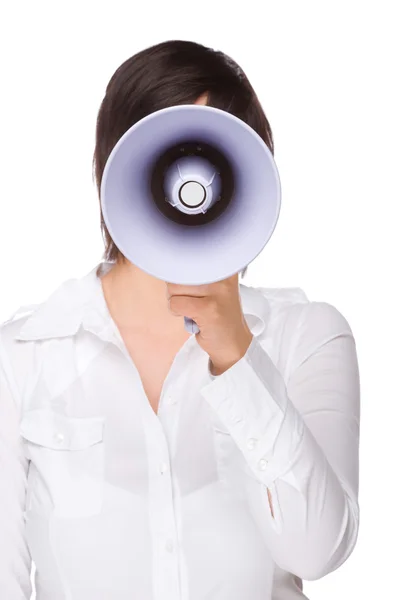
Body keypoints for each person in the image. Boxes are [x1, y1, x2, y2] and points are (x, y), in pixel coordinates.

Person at [0, 40, 360, 600]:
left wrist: (239, 358)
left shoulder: (305, 336)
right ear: (114, 167)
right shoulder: (24, 356)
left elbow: (317, 551)